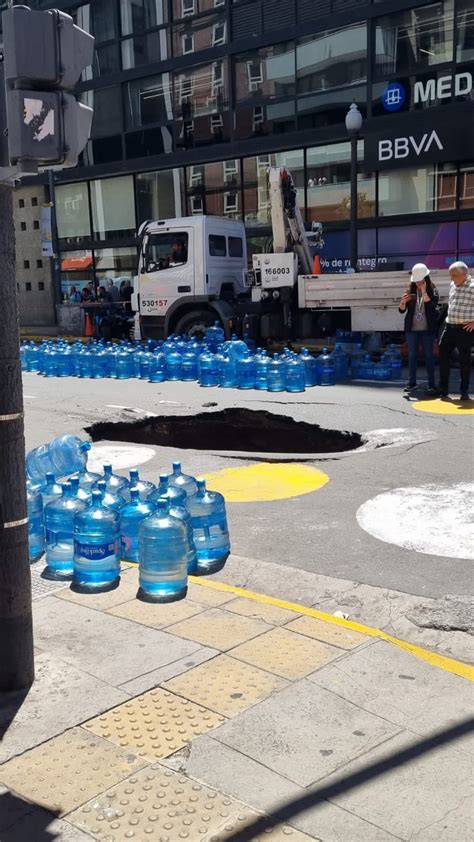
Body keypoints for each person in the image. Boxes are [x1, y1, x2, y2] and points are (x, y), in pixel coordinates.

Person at [399, 263, 439, 394]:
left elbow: (433, 309)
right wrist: (403, 302)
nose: (418, 283)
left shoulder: (433, 290)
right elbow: (401, 311)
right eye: (416, 281)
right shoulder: (409, 291)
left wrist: (424, 292)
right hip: (412, 329)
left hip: (427, 329)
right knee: (412, 356)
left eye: (420, 281)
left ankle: (431, 384)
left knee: (429, 356)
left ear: (426, 278)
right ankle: (412, 383)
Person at [438, 261, 474, 400]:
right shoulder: (453, 284)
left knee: (464, 361)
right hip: (449, 327)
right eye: (450, 275)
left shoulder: (472, 286)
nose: (451, 278)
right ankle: (443, 389)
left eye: (454, 275)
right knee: (442, 357)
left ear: (465, 274)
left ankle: (464, 391)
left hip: (465, 329)